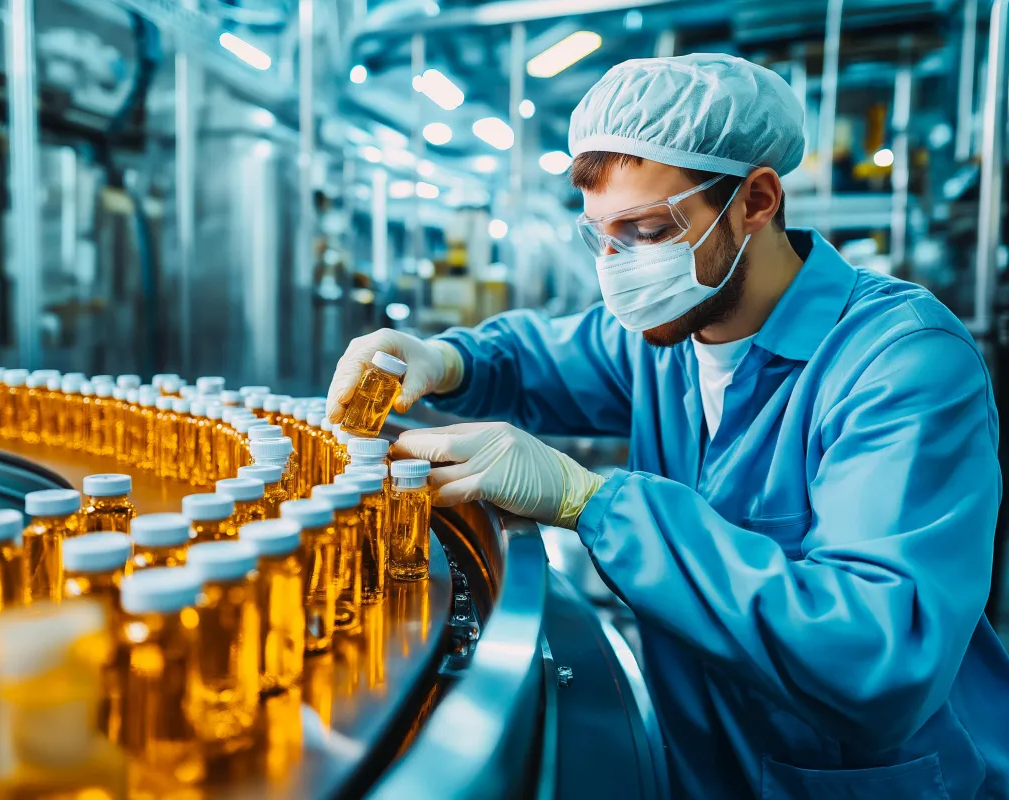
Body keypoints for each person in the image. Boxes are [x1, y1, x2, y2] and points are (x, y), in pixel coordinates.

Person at [327, 54, 1009, 799]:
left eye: (648, 230)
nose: (619, 268)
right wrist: (445, 358)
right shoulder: (673, 331)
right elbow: (540, 358)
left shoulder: (899, 363)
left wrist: (593, 503)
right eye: (601, 238)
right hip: (706, 772)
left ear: (756, 199)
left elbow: (880, 657)